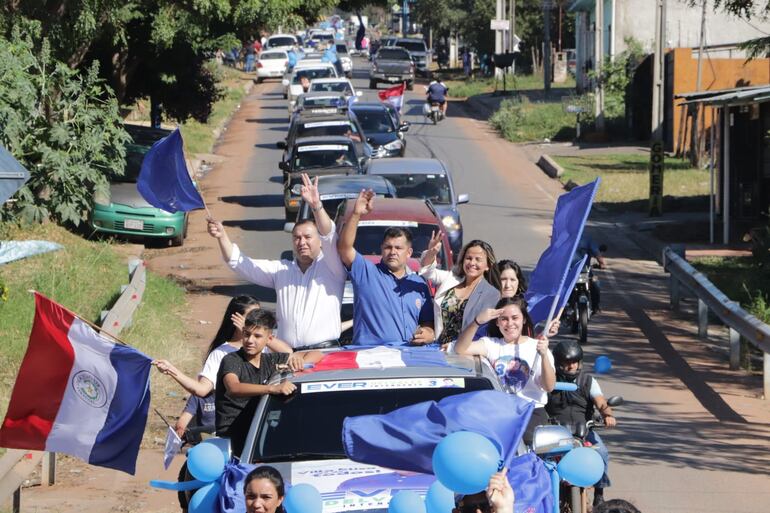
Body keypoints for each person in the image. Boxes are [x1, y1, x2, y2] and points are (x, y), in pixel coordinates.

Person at [207, 174, 347, 350]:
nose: (302, 242)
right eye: (296, 238)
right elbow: (240, 264)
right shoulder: (282, 270)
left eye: (308, 237)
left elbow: (329, 234)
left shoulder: (332, 267)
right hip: (286, 355)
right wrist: (222, 236)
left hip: (325, 353)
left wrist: (316, 206)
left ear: (319, 241)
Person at [216, 309, 322, 454]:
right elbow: (233, 387)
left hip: (261, 436)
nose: (250, 340)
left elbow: (318, 353)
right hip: (232, 439)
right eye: (246, 334)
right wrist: (272, 388)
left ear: (269, 339)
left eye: (257, 336)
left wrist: (299, 362)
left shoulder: (271, 360)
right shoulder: (231, 360)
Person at [337, 189, 435, 346]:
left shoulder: (419, 284)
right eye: (388, 247)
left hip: (408, 359)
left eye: (398, 248)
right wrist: (356, 214)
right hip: (369, 357)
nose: (393, 252)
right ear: (381, 249)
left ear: (409, 252)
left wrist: (429, 334)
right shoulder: (366, 272)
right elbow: (344, 248)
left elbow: (427, 322)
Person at [454, 296, 556, 445]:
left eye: (515, 318)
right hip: (500, 413)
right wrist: (477, 322)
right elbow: (460, 349)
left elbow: (549, 386)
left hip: (532, 413)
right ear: (497, 322)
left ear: (524, 320)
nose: (510, 323)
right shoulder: (491, 344)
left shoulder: (539, 346)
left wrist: (544, 355)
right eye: (504, 319)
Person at [153, 295, 293, 397]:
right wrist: (171, 370)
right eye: (251, 317)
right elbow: (202, 389)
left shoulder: (265, 346)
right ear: (235, 319)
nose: (256, 320)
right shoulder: (222, 353)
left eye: (258, 315)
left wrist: (261, 335)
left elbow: (288, 353)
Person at [546, 340, 616, 507]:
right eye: (566, 362)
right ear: (557, 362)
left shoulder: (588, 381)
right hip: (554, 432)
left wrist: (607, 415)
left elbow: (600, 402)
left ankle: (599, 493)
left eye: (574, 362)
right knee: (540, 462)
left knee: (603, 453)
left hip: (583, 431)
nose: (571, 366)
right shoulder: (549, 380)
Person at [419, 235, 500, 346]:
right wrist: (431, 252)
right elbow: (428, 272)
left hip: (464, 352)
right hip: (437, 348)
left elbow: (482, 330)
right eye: (468, 258)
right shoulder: (451, 279)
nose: (472, 263)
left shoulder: (492, 294)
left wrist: (454, 346)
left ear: (488, 266)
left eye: (478, 259)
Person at [574, 233, 607, 312]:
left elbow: (597, 253)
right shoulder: (587, 239)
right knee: (596, 284)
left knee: (596, 283)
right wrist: (602, 264)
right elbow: (597, 254)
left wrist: (602, 264)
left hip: (582, 272)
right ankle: (595, 307)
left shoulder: (586, 240)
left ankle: (595, 306)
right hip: (581, 272)